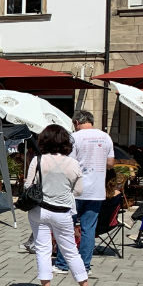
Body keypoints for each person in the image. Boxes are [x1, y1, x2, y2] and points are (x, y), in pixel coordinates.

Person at [23, 125, 95, 286]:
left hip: (40, 210)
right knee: (70, 251)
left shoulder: (38, 160)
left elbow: (27, 186)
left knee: (43, 249)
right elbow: (78, 191)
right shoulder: (73, 164)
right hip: (62, 212)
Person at [53, 111, 114, 276]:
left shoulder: (74, 137)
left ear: (76, 122)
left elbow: (68, 163)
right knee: (89, 229)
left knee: (66, 227)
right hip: (96, 190)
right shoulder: (106, 137)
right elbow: (110, 163)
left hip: (75, 189)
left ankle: (63, 264)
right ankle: (85, 265)